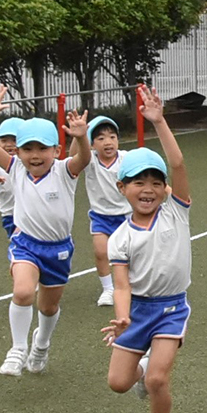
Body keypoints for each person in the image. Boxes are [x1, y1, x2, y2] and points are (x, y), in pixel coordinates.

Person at [100, 85, 192, 413]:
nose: (149, 189)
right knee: (119, 383)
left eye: (156, 182)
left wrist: (159, 121)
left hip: (171, 310)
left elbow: (179, 164)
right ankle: (139, 367)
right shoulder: (118, 237)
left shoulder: (175, 211)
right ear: (122, 188)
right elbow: (121, 283)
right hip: (138, 311)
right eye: (139, 182)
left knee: (158, 378)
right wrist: (123, 316)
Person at [0, 84, 92, 376]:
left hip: (58, 249)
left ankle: (40, 343)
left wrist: (81, 138)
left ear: (56, 150)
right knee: (22, 292)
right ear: (18, 152)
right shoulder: (15, 167)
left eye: (42, 148)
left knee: (48, 307)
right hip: (26, 243)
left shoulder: (64, 170)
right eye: (27, 148)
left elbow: (84, 160)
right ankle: (17, 349)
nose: (35, 155)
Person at [84, 116, 132, 307]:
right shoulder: (90, 161)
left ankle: (132, 284)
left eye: (112, 137)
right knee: (100, 252)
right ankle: (108, 289)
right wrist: (80, 135)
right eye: (101, 138)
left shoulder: (126, 158)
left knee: (132, 254)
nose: (108, 142)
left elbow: (143, 171)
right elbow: (76, 154)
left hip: (127, 215)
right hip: (100, 216)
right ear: (92, 144)